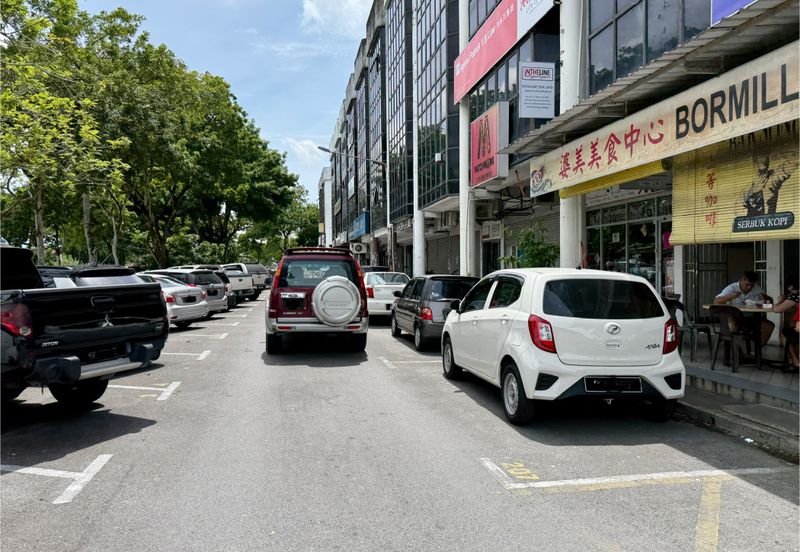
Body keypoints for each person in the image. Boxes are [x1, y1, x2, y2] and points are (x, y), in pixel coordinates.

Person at [714, 271, 775, 348]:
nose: (749, 287)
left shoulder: (756, 288)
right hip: (735, 318)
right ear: (741, 280)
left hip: (750, 318)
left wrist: (765, 298)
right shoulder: (732, 288)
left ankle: (757, 351)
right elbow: (716, 301)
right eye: (747, 285)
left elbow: (770, 301)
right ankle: (737, 353)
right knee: (733, 325)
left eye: (751, 285)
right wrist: (731, 296)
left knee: (769, 326)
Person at [773, 279, 799, 372]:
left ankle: (796, 362)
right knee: (793, 329)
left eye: (789, 286)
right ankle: (792, 360)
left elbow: (776, 309)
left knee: (784, 335)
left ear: (791, 286)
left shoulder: (795, 296)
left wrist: (780, 301)